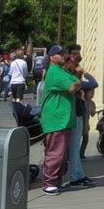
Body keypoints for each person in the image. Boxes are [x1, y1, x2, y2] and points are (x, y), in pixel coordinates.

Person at [39, 46, 81, 195]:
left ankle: (56, 181)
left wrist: (76, 84)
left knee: (62, 154)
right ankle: (49, 182)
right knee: (55, 152)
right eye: (58, 54)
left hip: (64, 119)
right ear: (51, 57)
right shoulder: (54, 72)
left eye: (63, 53)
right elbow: (72, 86)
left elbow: (77, 81)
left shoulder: (62, 70)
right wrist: (75, 85)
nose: (62, 56)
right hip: (56, 119)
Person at [63, 46, 95, 188]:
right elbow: (94, 83)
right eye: (75, 59)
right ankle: (76, 176)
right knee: (74, 148)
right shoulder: (73, 79)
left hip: (78, 114)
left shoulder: (75, 80)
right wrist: (84, 72)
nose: (78, 64)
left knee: (74, 147)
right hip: (74, 115)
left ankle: (79, 174)